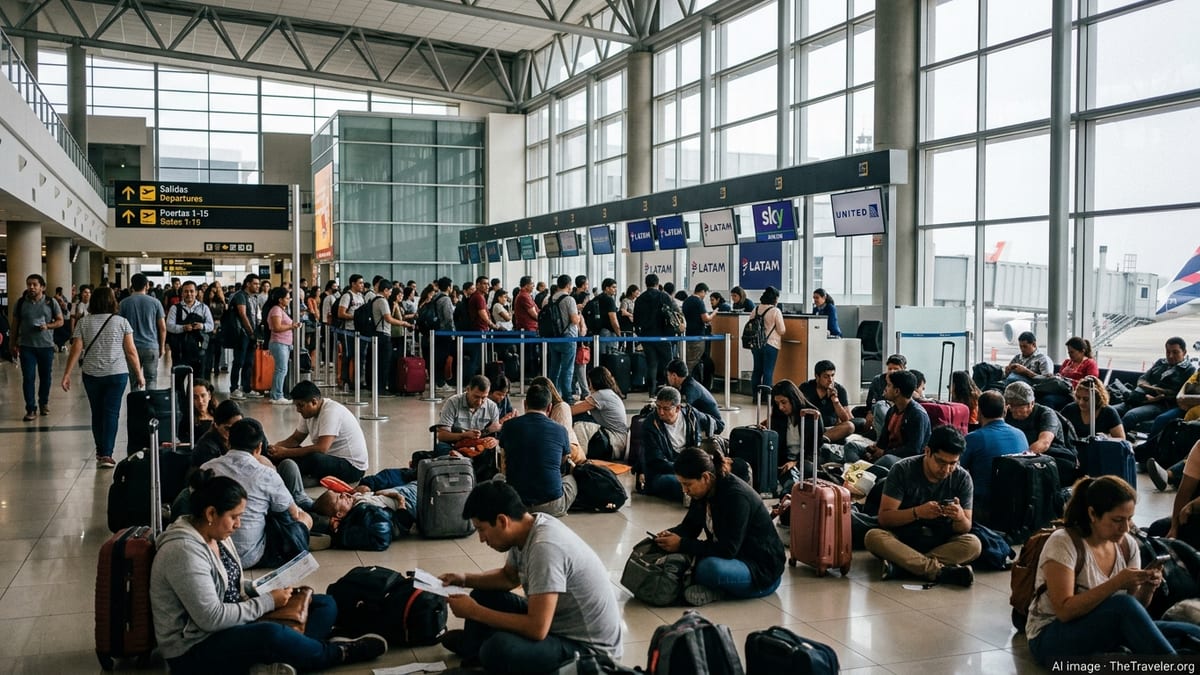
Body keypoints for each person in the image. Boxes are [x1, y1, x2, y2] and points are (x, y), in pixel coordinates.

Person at [150, 471, 387, 674]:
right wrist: (267, 602)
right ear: (211, 514)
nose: (238, 524)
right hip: (195, 647)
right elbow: (211, 618)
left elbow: (231, 583)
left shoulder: (216, 535)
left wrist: (263, 588)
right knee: (271, 634)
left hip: (232, 621)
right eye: (234, 517)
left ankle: (287, 657)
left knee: (325, 604)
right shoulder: (183, 552)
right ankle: (335, 652)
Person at [436, 481, 622, 673]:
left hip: (588, 651)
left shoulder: (545, 547)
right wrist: (464, 579)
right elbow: (509, 578)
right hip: (557, 622)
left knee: (499, 648)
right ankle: (474, 650)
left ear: (502, 521)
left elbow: (537, 628)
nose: (482, 539)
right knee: (483, 595)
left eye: (482, 529)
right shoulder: (528, 527)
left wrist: (475, 612)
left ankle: (483, 655)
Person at [1024, 476, 1200, 665]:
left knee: (1190, 632)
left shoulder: (1127, 545)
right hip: (1052, 637)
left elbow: (1135, 610)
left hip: (1103, 629)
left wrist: (1148, 587)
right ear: (1092, 514)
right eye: (1117, 520)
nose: (1124, 528)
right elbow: (1064, 611)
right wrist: (1116, 583)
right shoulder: (1064, 542)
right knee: (1122, 605)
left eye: (1129, 519)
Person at [652, 445, 786, 606]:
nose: (684, 490)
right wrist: (668, 536)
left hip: (760, 571)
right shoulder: (703, 491)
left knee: (708, 568)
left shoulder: (735, 497)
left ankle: (718, 590)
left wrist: (681, 544)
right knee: (687, 559)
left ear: (706, 477)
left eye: (687, 484)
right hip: (734, 558)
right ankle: (714, 587)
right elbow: (690, 527)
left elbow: (727, 549)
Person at [864, 425, 980, 587]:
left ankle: (903, 567)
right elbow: (885, 518)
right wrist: (917, 513)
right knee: (873, 537)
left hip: (940, 540)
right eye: (941, 462)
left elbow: (965, 527)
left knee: (973, 544)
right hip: (903, 539)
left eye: (953, 463)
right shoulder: (902, 470)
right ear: (927, 452)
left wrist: (959, 517)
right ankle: (938, 570)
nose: (946, 469)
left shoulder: (962, 478)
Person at [202, 419, 312, 568]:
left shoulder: (207, 468)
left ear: (228, 442)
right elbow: (292, 514)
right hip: (250, 556)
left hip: (209, 553)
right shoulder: (266, 474)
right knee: (302, 517)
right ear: (259, 448)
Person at [60, 286, 144, 467]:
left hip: (91, 374)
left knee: (97, 413)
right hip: (117, 374)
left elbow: (76, 349)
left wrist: (67, 373)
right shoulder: (122, 322)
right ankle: (107, 454)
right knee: (111, 413)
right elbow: (130, 351)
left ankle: (101, 451)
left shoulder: (84, 323)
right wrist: (138, 374)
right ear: (112, 301)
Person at [497, 384, 577, 516]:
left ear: (524, 404)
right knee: (571, 479)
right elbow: (563, 461)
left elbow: (504, 458)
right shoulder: (560, 430)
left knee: (497, 478)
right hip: (552, 505)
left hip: (515, 505)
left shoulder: (508, 426)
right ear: (550, 407)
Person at [268, 381, 369, 484]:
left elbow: (322, 448)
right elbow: (296, 439)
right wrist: (276, 448)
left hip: (352, 468)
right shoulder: (307, 413)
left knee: (314, 458)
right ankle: (290, 471)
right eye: (296, 406)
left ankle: (289, 473)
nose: (298, 410)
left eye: (300, 405)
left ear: (314, 402)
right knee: (293, 452)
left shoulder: (331, 411)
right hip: (330, 458)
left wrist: (285, 452)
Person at [960, 391, 1028, 523]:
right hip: (1016, 506)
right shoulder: (1020, 434)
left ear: (979, 412)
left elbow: (955, 471)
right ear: (1005, 411)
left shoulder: (973, 438)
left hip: (984, 508)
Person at [640, 386, 715, 502]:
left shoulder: (691, 415)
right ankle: (699, 496)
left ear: (678, 408)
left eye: (666, 408)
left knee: (712, 476)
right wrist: (685, 470)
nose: (661, 412)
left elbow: (713, 422)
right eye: (658, 407)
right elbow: (656, 461)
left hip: (689, 465)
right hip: (663, 471)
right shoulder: (650, 425)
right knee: (676, 483)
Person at [1113, 337, 1196, 432]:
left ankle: (1118, 441)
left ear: (1184, 352)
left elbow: (1178, 394)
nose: (1171, 356)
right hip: (1140, 398)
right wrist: (1149, 391)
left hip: (1161, 404)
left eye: (1175, 352)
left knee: (1131, 415)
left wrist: (1156, 395)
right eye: (1168, 352)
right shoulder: (1161, 362)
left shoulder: (1189, 370)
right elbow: (1143, 379)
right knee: (1109, 410)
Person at [11, 274, 65, 421]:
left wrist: (47, 326)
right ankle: (30, 408)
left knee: (45, 377)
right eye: (29, 284)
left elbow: (60, 321)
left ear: (42, 287)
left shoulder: (50, 302)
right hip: (26, 346)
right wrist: (12, 344)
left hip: (46, 346)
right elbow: (15, 324)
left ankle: (43, 402)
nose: (31, 287)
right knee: (28, 377)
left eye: (35, 284)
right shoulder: (21, 303)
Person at [864, 370, 931, 468]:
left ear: (897, 391)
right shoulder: (892, 410)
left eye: (888, 385)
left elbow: (914, 450)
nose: (885, 388)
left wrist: (884, 453)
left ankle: (866, 473)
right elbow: (884, 439)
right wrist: (876, 449)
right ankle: (868, 470)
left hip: (908, 461)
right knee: (852, 447)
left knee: (886, 459)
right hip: (888, 453)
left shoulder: (917, 414)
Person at [766, 380, 825, 488]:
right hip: (784, 460)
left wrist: (796, 463)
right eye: (778, 403)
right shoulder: (778, 416)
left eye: (784, 402)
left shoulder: (812, 415)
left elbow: (814, 449)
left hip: (806, 459)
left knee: (802, 470)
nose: (780, 407)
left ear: (793, 399)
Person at [570, 366, 630, 461]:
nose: (589, 386)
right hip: (618, 443)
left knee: (578, 421)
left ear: (594, 382)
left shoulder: (601, 395)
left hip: (613, 443)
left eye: (589, 382)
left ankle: (577, 456)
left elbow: (571, 411)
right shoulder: (609, 393)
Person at [118, 273, 166, 391]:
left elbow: (119, 327)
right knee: (151, 379)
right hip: (151, 346)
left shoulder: (124, 303)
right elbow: (162, 327)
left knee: (134, 381)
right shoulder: (155, 303)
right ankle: (150, 406)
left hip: (131, 348)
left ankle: (137, 407)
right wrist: (162, 347)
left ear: (132, 286)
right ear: (147, 286)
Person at [435, 374, 502, 456]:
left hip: (480, 446)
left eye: (484, 398)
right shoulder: (452, 403)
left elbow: (500, 436)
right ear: (468, 389)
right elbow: (442, 436)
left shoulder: (492, 406)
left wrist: (495, 441)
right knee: (441, 447)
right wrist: (463, 435)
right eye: (476, 397)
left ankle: (463, 459)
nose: (479, 402)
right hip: (455, 444)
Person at [632, 274, 675, 397]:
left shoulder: (640, 299)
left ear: (646, 284)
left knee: (652, 363)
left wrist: (640, 334)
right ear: (657, 283)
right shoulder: (664, 296)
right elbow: (671, 316)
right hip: (663, 335)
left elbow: (636, 318)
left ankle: (652, 392)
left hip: (647, 336)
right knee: (668, 363)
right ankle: (668, 390)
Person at [543, 275, 582, 403]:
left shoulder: (550, 299)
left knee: (555, 368)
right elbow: (574, 320)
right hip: (568, 337)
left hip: (554, 337)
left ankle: (553, 395)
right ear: (569, 285)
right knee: (568, 368)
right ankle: (567, 396)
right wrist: (579, 314)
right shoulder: (569, 299)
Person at [261, 286, 302, 404]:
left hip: (284, 343)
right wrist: (292, 326)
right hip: (279, 343)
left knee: (281, 369)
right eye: (287, 298)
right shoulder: (276, 310)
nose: (289, 300)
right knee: (281, 369)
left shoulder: (280, 310)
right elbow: (276, 327)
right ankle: (277, 395)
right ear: (280, 299)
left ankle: (276, 394)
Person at [799, 360, 855, 443]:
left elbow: (846, 419)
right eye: (826, 376)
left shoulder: (840, 390)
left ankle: (818, 442)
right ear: (817, 377)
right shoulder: (805, 388)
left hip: (831, 429)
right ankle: (818, 442)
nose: (830, 380)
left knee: (850, 426)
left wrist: (835, 401)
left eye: (832, 375)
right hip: (812, 427)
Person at [166, 281, 214, 375]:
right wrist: (183, 328)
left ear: (196, 292)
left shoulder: (204, 308)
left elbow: (210, 325)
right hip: (180, 350)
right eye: (186, 291)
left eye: (192, 291)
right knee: (178, 378)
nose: (189, 294)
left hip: (199, 350)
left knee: (199, 378)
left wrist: (202, 326)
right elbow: (169, 326)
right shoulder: (175, 308)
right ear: (182, 293)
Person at [665, 358, 725, 434]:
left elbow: (682, 409)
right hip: (707, 419)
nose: (668, 378)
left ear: (674, 375)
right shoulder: (686, 383)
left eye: (668, 375)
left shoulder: (690, 388)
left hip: (715, 424)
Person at [747, 287, 786, 401]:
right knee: (768, 372)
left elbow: (750, 324)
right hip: (771, 345)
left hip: (756, 345)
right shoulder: (775, 311)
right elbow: (782, 330)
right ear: (775, 299)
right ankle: (767, 398)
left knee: (757, 371)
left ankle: (755, 396)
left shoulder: (756, 309)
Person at [229, 274, 263, 400]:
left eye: (258, 284)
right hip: (242, 334)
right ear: (248, 284)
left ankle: (246, 387)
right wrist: (250, 332)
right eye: (255, 284)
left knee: (249, 362)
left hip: (251, 335)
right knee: (239, 361)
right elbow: (243, 315)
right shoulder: (240, 296)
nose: (257, 286)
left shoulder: (254, 298)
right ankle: (234, 388)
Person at [1059, 376, 1125, 440]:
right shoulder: (1070, 409)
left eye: (1086, 399)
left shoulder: (1109, 412)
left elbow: (1121, 439)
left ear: (1097, 398)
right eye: (1078, 398)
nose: (1081, 402)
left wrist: (1106, 438)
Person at [190, 400, 243, 470]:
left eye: (238, 428)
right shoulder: (207, 448)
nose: (234, 432)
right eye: (228, 429)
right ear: (216, 425)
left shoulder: (241, 437)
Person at [681, 283, 713, 370]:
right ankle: (689, 380)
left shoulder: (686, 301)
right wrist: (714, 314)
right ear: (702, 291)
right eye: (705, 293)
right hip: (698, 335)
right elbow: (706, 319)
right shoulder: (699, 302)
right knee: (694, 361)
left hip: (687, 335)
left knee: (687, 359)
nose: (704, 296)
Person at [202, 282, 227, 379]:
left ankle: (216, 367)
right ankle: (208, 370)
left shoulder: (222, 302)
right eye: (213, 289)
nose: (215, 291)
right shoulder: (205, 303)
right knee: (209, 350)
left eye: (218, 289)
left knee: (218, 350)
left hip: (219, 327)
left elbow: (224, 314)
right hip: (209, 327)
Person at [188, 378, 218, 443]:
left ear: (209, 396)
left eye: (203, 395)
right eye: (195, 397)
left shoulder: (219, 414)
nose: (200, 401)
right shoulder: (188, 419)